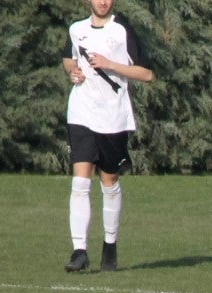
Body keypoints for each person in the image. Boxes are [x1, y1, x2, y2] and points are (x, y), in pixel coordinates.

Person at [61, 0, 154, 273]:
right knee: (80, 180)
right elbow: (68, 57)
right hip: (80, 113)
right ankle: (79, 251)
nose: (103, 1)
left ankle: (110, 245)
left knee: (109, 180)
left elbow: (147, 74)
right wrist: (73, 71)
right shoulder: (76, 29)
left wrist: (110, 64)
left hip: (112, 116)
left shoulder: (122, 29)